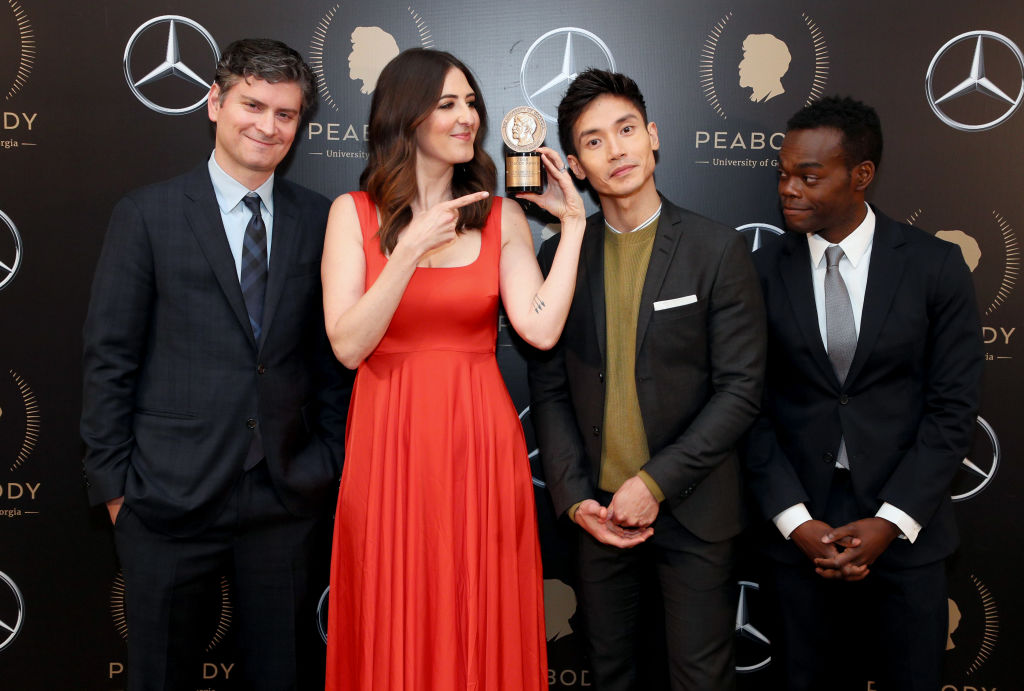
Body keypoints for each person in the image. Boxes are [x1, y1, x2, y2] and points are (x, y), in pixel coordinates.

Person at [80, 38, 351, 690]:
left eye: (285, 114)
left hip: (283, 501)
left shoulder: (322, 220)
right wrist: (117, 489)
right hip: (165, 500)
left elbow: (334, 359)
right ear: (215, 102)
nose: (267, 125)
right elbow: (109, 357)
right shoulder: (147, 214)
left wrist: (327, 466)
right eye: (252, 104)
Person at [321, 48, 587, 691]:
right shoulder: (351, 214)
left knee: (479, 601)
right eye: (447, 104)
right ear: (404, 117)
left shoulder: (501, 217)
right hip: (390, 440)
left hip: (478, 441)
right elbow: (349, 345)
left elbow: (540, 326)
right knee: (393, 600)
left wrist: (574, 226)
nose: (468, 116)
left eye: (470, 102)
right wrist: (408, 248)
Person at [527, 68, 766, 691]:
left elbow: (741, 390)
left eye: (626, 129)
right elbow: (549, 392)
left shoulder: (717, 250)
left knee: (698, 678)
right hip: (598, 517)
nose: (617, 150)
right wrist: (577, 499)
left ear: (653, 136)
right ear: (576, 166)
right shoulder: (558, 258)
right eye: (595, 141)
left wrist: (654, 483)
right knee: (612, 675)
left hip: (694, 514)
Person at [745, 96, 983, 690]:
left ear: (861, 176)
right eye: (783, 174)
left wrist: (890, 522)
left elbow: (953, 409)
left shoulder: (935, 266)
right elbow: (746, 408)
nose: (788, 190)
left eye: (809, 175)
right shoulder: (757, 271)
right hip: (800, 537)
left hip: (907, 531)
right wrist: (797, 522)